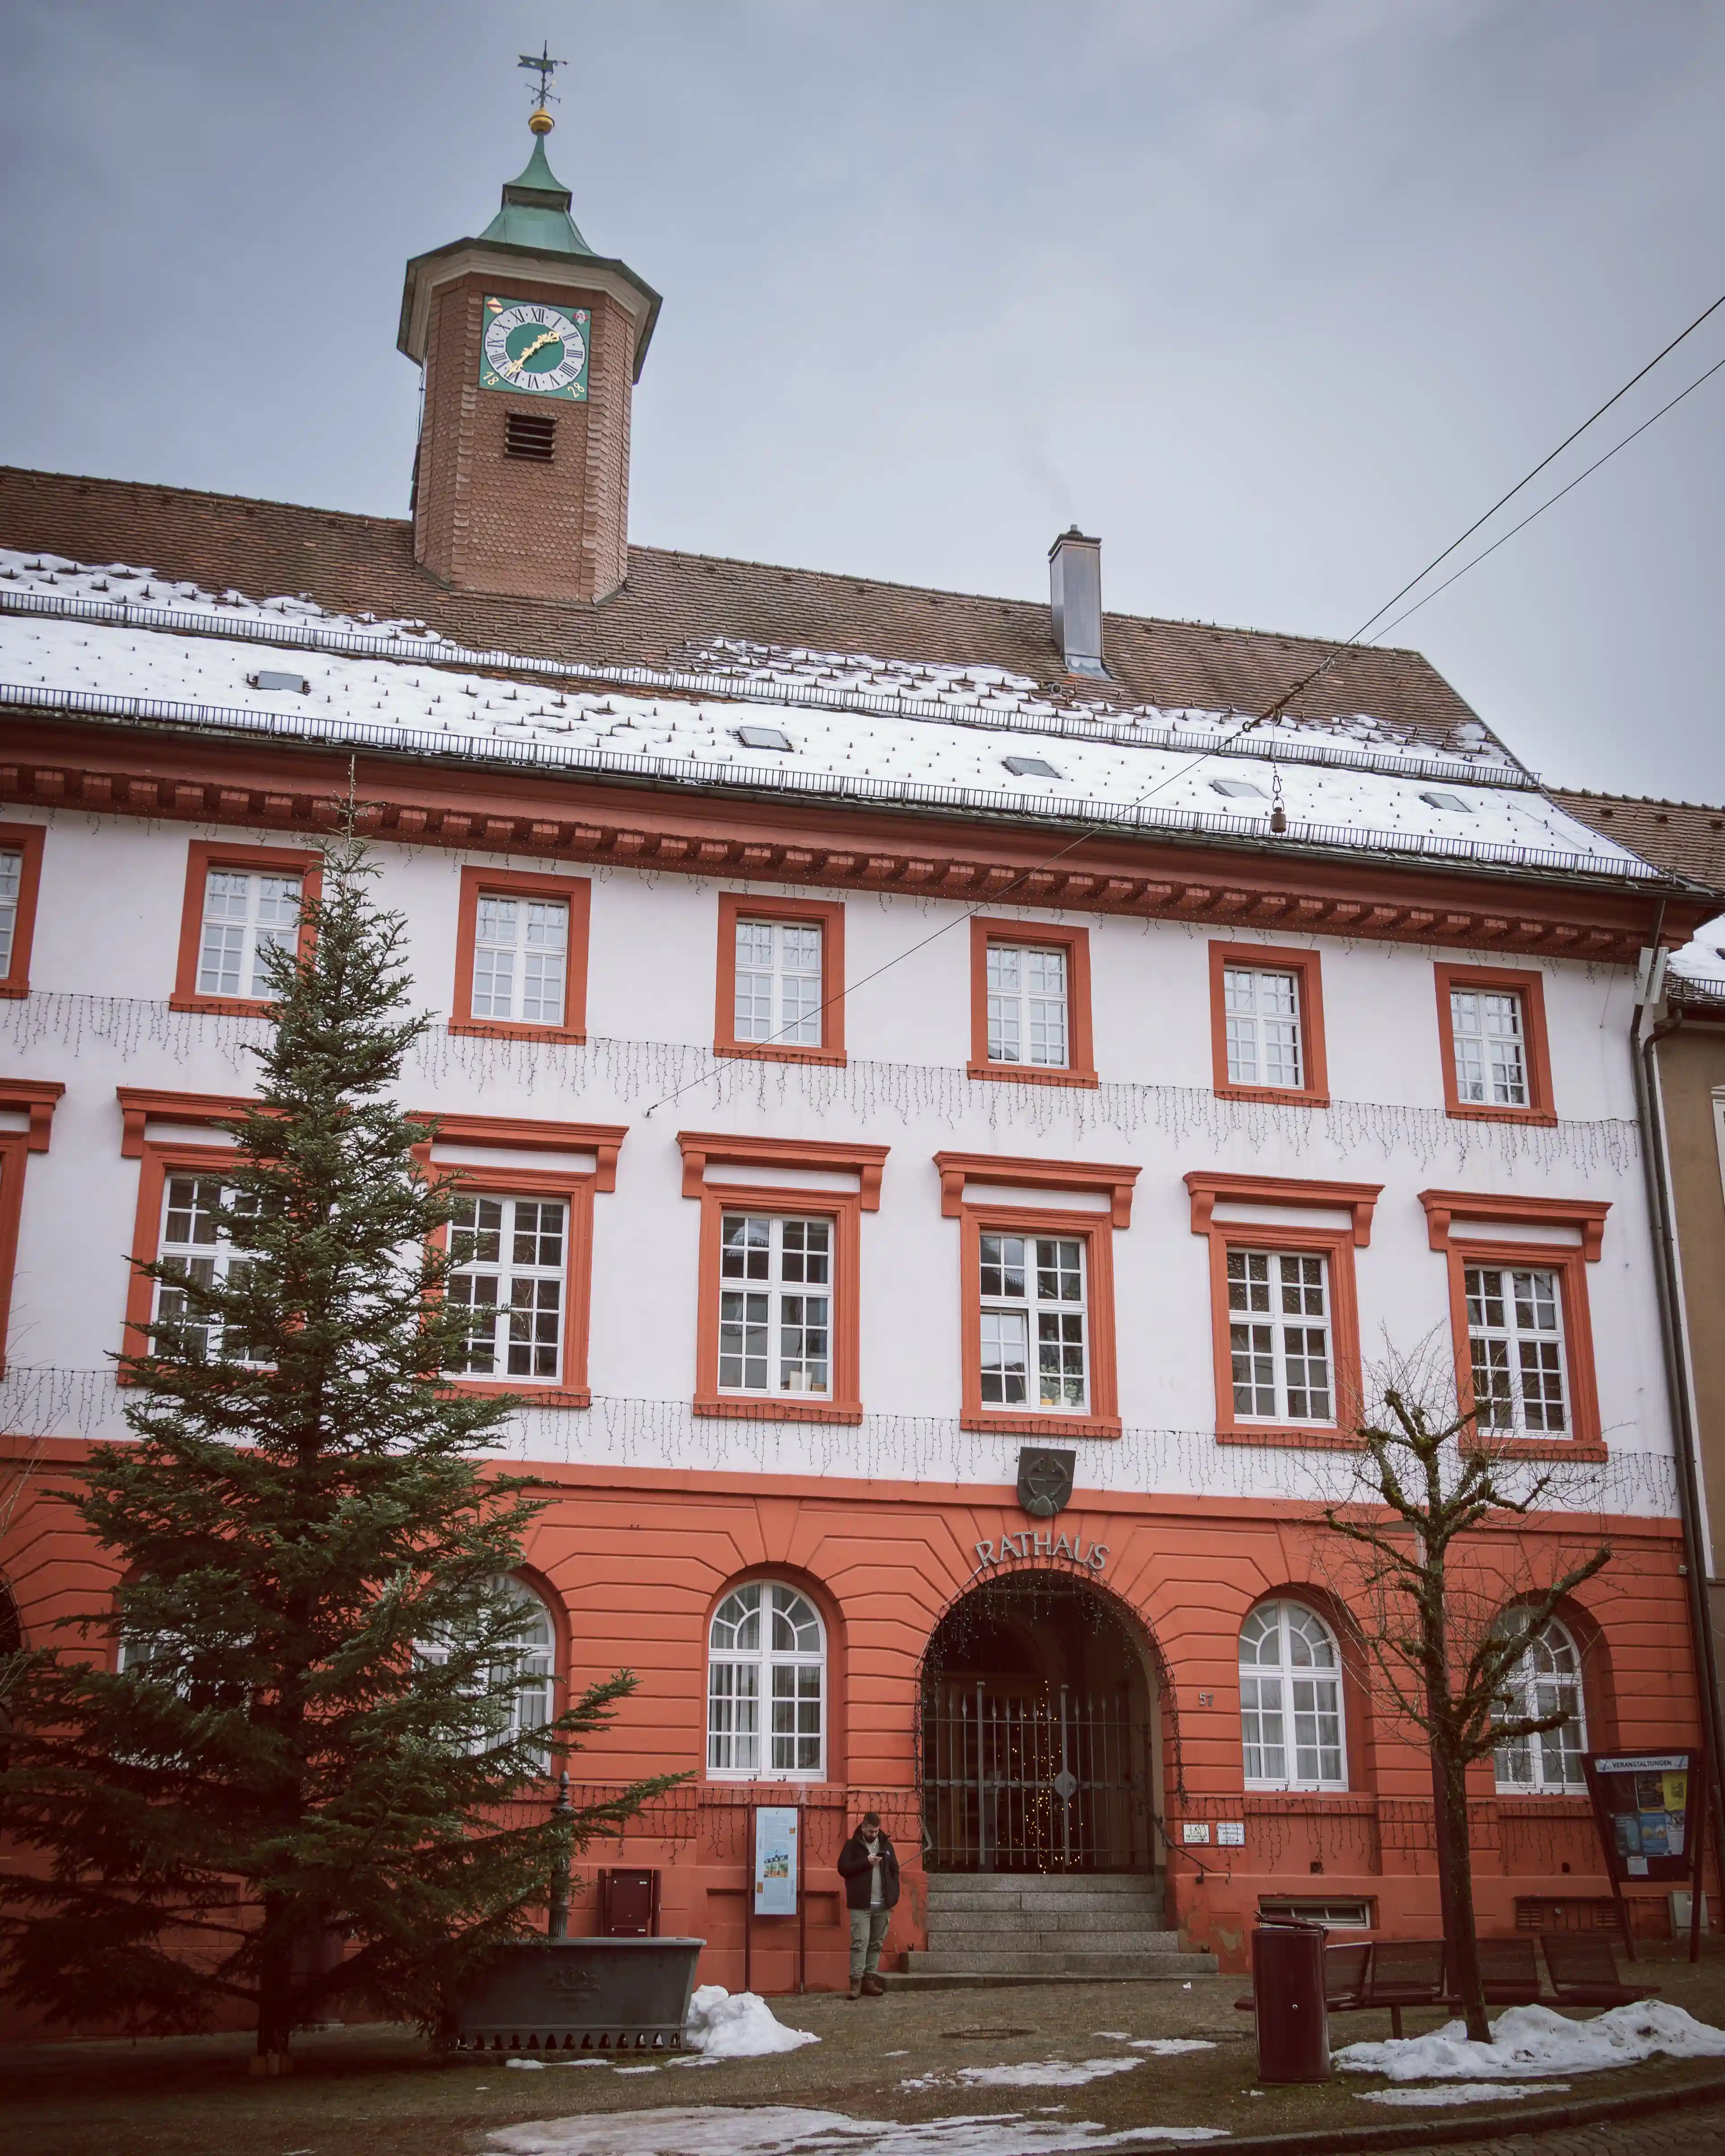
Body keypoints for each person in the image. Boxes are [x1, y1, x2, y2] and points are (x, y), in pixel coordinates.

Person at [836, 1810, 899, 1998]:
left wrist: (893, 1896)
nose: (874, 1835)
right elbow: (843, 1868)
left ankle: (869, 1980)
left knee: (876, 1944)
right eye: (871, 1831)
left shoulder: (886, 1845)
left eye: (877, 1831)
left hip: (883, 1904)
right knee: (860, 1943)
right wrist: (866, 1862)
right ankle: (856, 1983)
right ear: (863, 1827)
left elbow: (895, 1871)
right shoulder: (852, 1846)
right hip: (861, 1904)